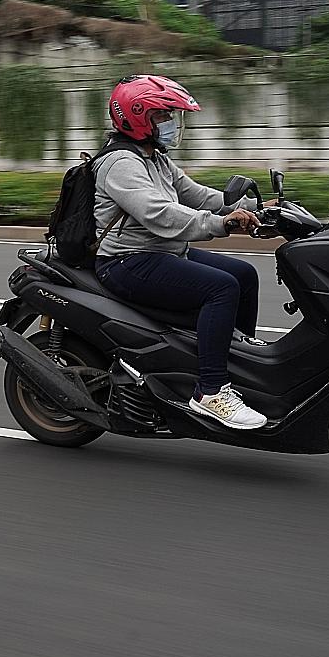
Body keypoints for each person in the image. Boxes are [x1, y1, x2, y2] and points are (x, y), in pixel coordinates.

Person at [92, 75, 271, 430]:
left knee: (245, 275)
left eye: (172, 116)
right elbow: (160, 213)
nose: (172, 124)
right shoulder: (121, 164)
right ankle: (211, 391)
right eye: (163, 116)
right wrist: (221, 225)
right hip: (126, 261)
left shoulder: (155, 158)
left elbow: (197, 196)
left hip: (160, 252)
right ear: (138, 117)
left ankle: (238, 363)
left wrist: (256, 206)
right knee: (221, 288)